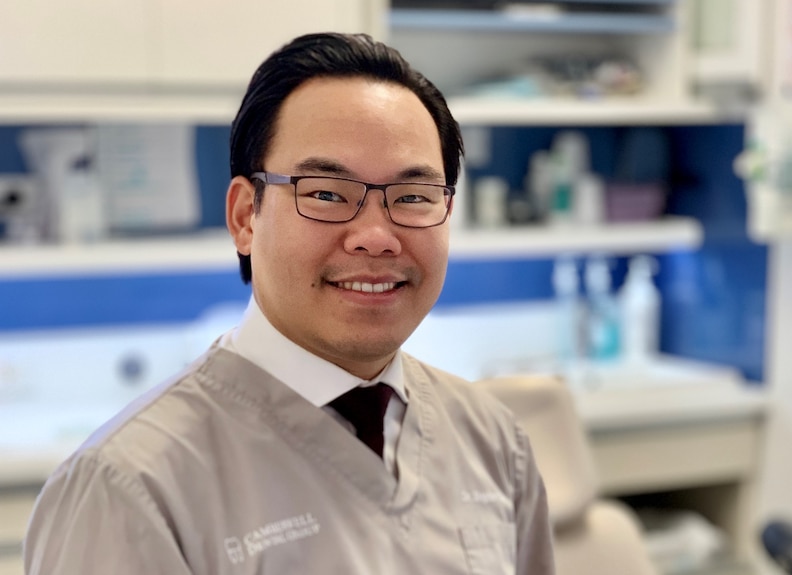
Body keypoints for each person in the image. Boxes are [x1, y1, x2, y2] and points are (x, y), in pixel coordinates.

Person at [24, 32, 555, 574]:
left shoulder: (491, 440)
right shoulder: (129, 488)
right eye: (326, 192)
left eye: (413, 197)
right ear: (245, 217)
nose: (376, 236)